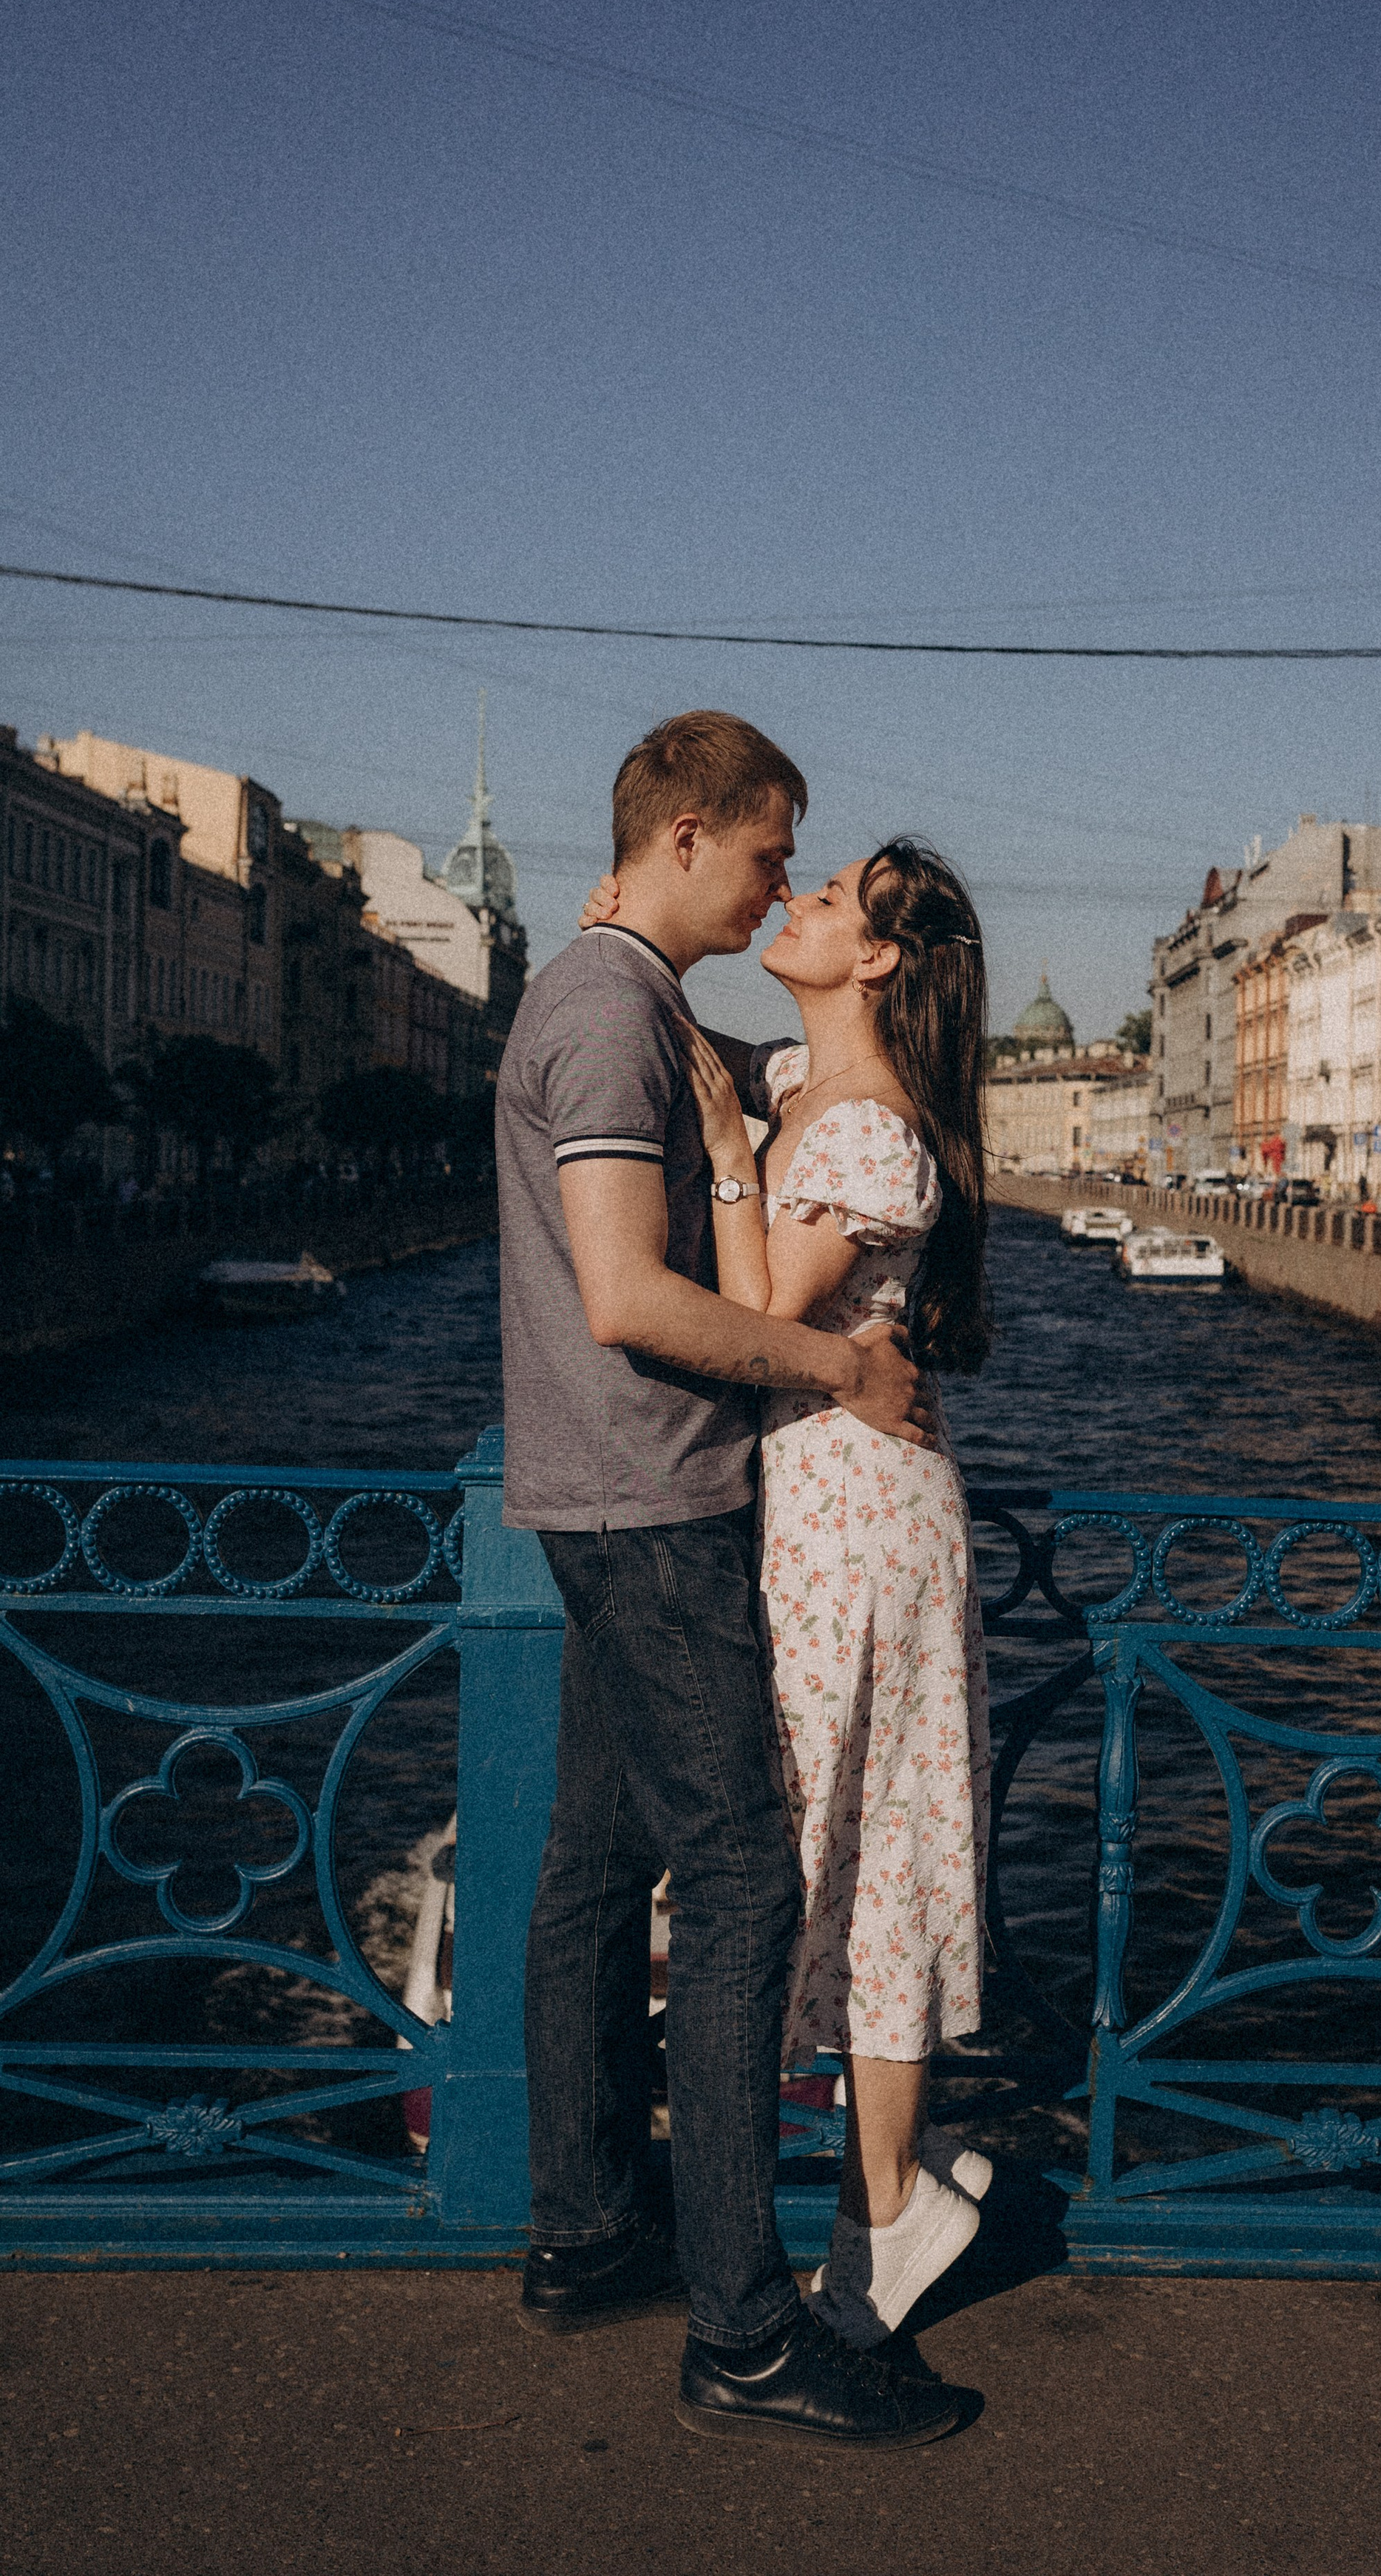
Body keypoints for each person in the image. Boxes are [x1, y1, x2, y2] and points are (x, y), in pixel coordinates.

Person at [496, 710, 962, 2452]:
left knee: (595, 1870)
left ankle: (587, 2229)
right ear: (689, 834)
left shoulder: (619, 1006)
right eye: (774, 851)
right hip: (654, 1496)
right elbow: (627, 1295)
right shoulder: (613, 1015)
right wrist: (843, 1372)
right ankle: (749, 2333)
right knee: (745, 1886)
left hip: (605, 1491)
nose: (782, 879)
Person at [582, 838, 995, 2354]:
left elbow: (758, 1309)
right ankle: (886, 2180)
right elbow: (691, 1051)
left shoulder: (870, 1132)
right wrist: (622, 916)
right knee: (816, 1839)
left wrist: (734, 1147)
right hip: (813, 1510)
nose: (794, 902)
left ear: (878, 959)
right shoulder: (798, 1084)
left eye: (828, 900)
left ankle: (888, 2205)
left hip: (854, 1519)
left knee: (855, 1851)